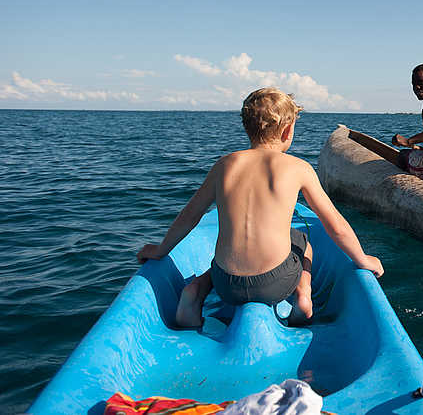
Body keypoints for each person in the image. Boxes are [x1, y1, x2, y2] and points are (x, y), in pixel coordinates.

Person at [137, 88, 384, 328]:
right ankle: (303, 293)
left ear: (247, 127)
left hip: (226, 285)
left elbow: (189, 216)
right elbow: (335, 225)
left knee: (220, 260)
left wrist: (160, 250)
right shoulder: (298, 168)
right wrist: (362, 258)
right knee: (303, 242)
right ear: (288, 130)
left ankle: (195, 290)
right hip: (274, 284)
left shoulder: (224, 165)